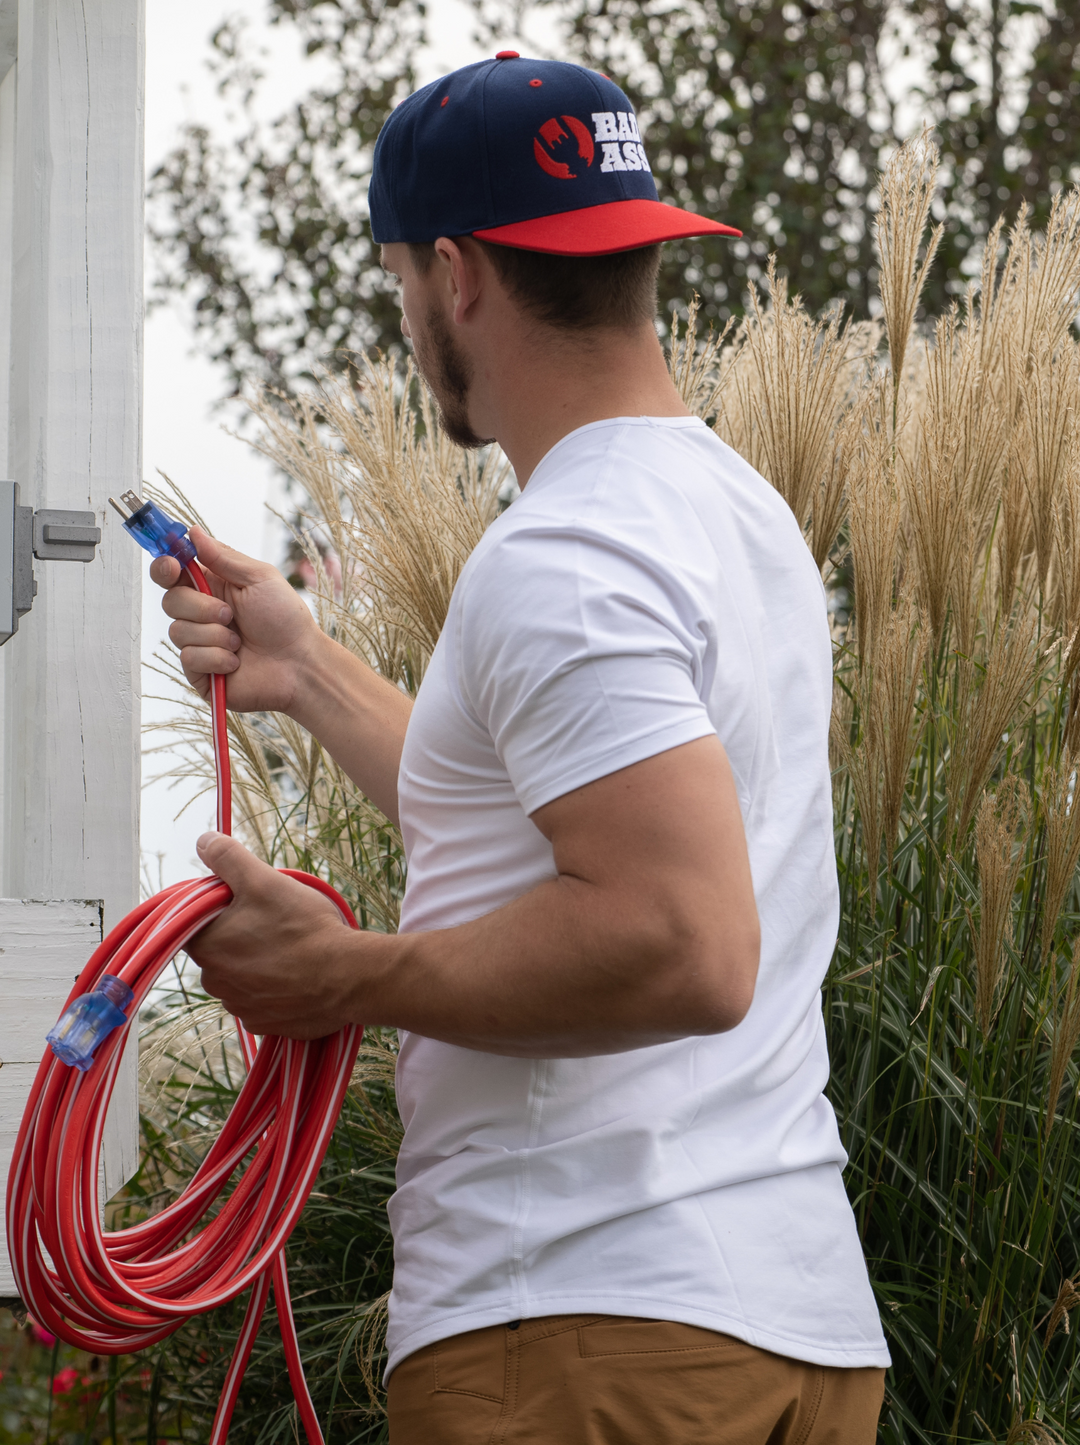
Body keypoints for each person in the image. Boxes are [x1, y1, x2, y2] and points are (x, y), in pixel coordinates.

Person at [151, 53, 890, 1445]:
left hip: (582, 1329)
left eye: (402, 286)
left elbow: (683, 939)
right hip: (780, 1330)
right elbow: (526, 800)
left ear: (458, 275)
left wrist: (344, 977)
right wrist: (307, 670)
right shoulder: (733, 517)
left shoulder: (566, 553)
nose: (411, 315)